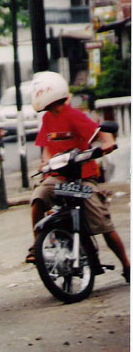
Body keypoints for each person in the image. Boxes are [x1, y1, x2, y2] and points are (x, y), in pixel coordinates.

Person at [26, 71, 130, 283]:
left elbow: (99, 132)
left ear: (61, 99)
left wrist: (108, 142)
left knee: (102, 223)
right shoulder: (46, 119)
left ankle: (126, 264)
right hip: (59, 179)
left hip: (82, 180)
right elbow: (46, 147)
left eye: (55, 104)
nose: (53, 109)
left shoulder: (74, 115)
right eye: (48, 106)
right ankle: (37, 245)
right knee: (38, 197)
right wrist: (45, 161)